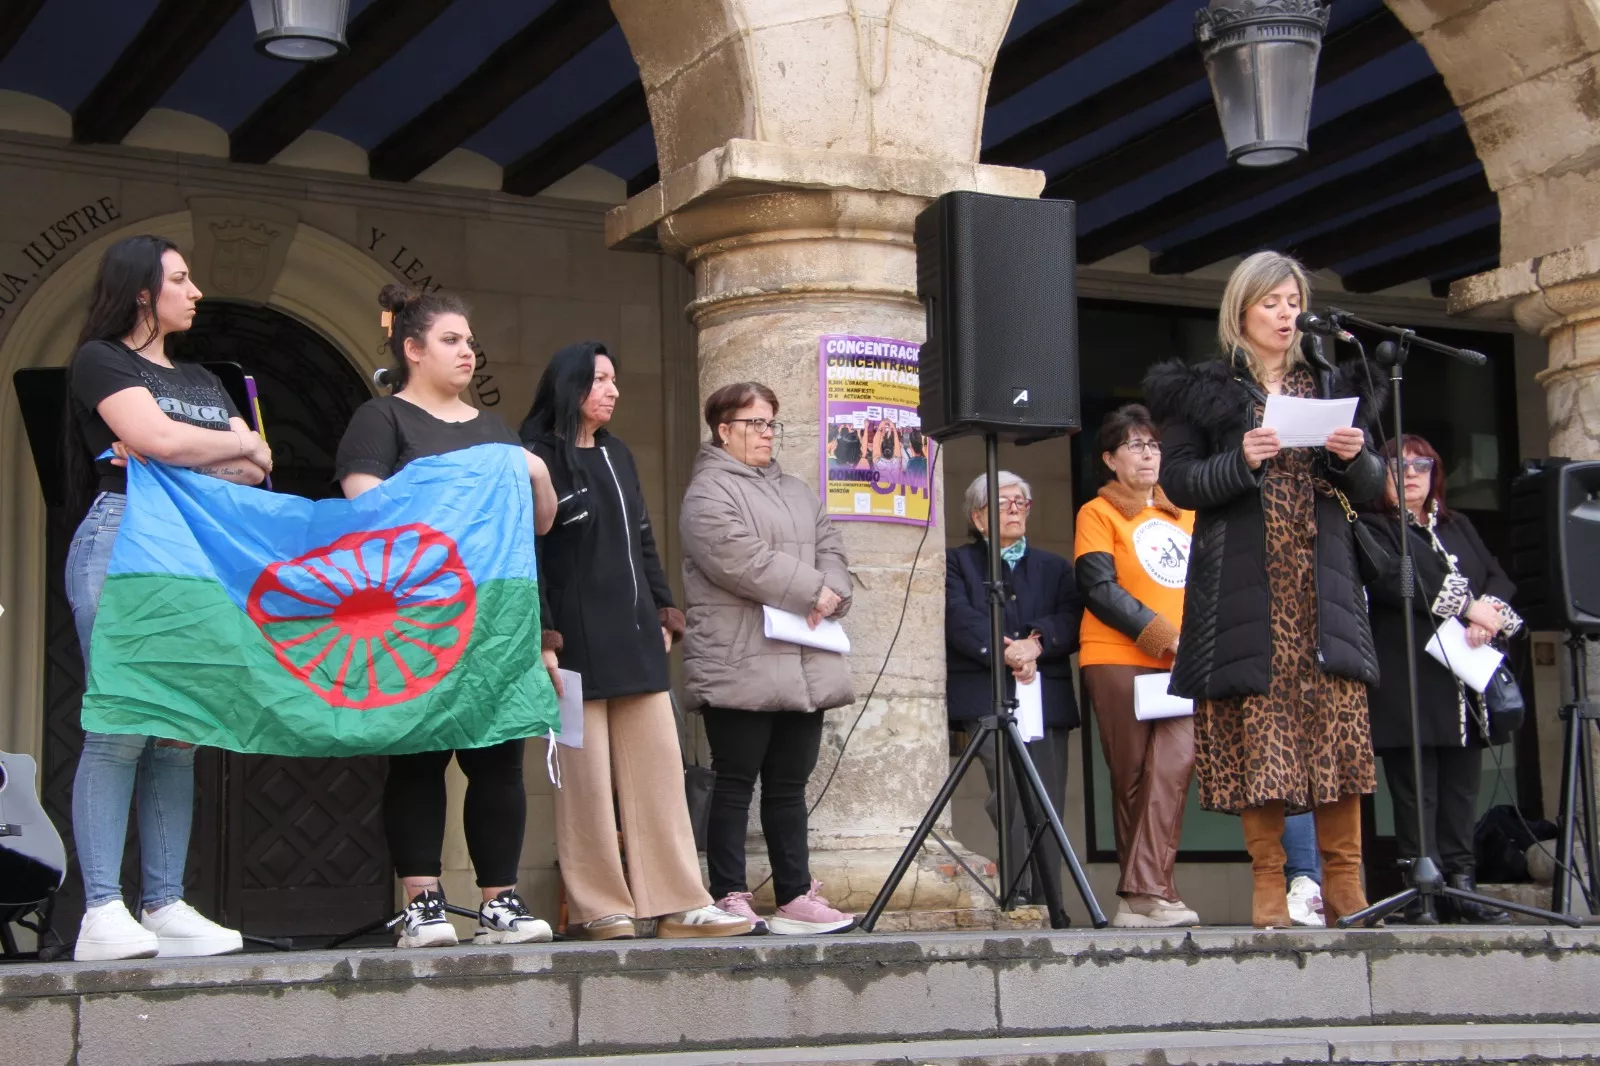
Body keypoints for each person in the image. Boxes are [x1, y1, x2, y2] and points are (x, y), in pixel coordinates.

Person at [1144, 250, 1387, 929]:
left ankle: (1345, 884)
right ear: (1242, 310)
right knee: (1262, 732)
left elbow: (1371, 487)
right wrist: (1241, 459)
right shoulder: (1205, 390)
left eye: (1294, 302)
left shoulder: (1330, 381)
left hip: (1323, 584)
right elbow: (1179, 480)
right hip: (1247, 587)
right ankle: (1270, 885)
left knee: (1337, 730)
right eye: (1272, 302)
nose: (1286, 314)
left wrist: (1355, 459)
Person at [62, 235, 272, 961]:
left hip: (192, 552)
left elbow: (257, 466)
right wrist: (216, 444)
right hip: (123, 537)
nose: (196, 291)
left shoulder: (204, 380)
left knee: (179, 733)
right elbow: (164, 440)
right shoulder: (101, 359)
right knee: (121, 724)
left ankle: (164, 903)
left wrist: (178, 447)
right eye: (180, 279)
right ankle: (100, 909)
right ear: (143, 292)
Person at [337, 284, 559, 949]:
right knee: (419, 759)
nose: (468, 352)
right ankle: (422, 905)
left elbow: (535, 527)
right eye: (451, 340)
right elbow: (366, 510)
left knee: (499, 761)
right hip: (415, 619)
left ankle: (499, 903)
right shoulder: (381, 419)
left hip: (495, 622)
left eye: (470, 341)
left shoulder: (494, 429)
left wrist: (536, 472)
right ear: (413, 349)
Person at [522, 342, 751, 940]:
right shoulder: (535, 458)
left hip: (634, 637)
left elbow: (644, 538)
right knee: (584, 784)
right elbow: (528, 556)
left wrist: (664, 610)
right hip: (571, 646)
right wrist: (544, 638)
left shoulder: (618, 453)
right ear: (570, 385)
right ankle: (602, 907)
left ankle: (679, 902)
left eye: (614, 380)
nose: (613, 391)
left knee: (659, 774)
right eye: (600, 380)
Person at [680, 381, 857, 935]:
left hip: (803, 659)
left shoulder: (798, 492)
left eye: (771, 423)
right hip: (739, 659)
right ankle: (729, 893)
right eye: (754, 423)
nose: (766, 433)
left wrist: (834, 591)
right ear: (723, 430)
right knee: (734, 781)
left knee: (788, 784)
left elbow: (831, 547)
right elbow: (740, 558)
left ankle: (795, 896)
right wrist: (812, 591)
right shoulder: (707, 492)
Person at [1360, 434, 1519, 923]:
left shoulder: (1457, 524)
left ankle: (1462, 885)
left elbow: (1496, 575)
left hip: (1462, 679)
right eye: (1398, 466)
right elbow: (1396, 580)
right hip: (1409, 674)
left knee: (1461, 788)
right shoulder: (1372, 526)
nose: (1411, 474)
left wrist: (1487, 613)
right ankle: (1422, 891)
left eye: (1422, 465)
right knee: (1416, 789)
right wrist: (1468, 606)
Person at [1074, 404, 1199, 928]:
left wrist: (1195, 643)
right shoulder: (1097, 513)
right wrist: (1166, 638)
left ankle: (1142, 890)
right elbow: (1099, 590)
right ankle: (1147, 897)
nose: (1148, 455)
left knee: (1173, 767)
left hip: (1184, 663)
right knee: (1131, 777)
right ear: (1110, 459)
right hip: (1117, 657)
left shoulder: (1186, 514)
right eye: (1135, 445)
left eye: (1153, 445)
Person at [946, 471, 1082, 907]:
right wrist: (1005, 651)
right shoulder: (956, 563)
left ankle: (1048, 901)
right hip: (985, 693)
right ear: (978, 517)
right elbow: (958, 616)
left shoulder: (1054, 567)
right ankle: (1018, 892)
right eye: (1002, 503)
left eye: (1020, 502)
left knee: (1046, 797)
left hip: (1044, 695)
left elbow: (1071, 618)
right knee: (1008, 789)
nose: (1014, 510)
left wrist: (1035, 644)